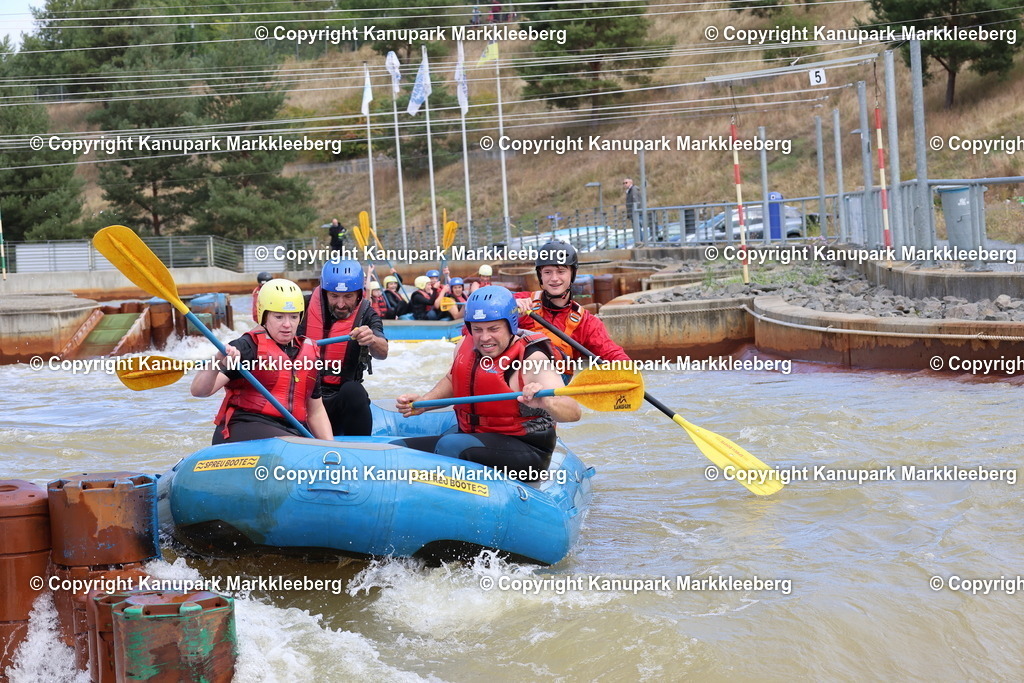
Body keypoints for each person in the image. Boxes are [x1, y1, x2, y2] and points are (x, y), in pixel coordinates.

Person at [395, 286, 580, 479]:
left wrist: (547, 401)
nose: (484, 338)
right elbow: (453, 380)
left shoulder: (532, 360)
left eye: (493, 329)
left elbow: (574, 412)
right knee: (397, 451)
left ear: (510, 326)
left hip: (527, 450)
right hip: (477, 437)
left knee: (450, 445)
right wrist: (424, 403)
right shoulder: (463, 345)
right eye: (477, 329)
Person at [191, 278, 333, 444]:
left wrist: (331, 449)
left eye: (294, 317)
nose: (287, 324)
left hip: (289, 431)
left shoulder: (309, 353)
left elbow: (315, 411)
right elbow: (199, 391)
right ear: (265, 316)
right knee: (294, 443)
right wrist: (217, 361)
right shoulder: (247, 347)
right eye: (279, 317)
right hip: (244, 427)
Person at [298, 260, 389, 436]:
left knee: (354, 391)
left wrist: (372, 340)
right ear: (324, 293)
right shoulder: (302, 306)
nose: (340, 304)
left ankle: (358, 449)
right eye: (334, 296)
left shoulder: (367, 315)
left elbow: (383, 352)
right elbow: (268, 328)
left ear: (358, 294)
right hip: (304, 396)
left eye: (347, 296)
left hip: (341, 398)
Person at [515, 240, 630, 371]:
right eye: (548, 272)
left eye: (561, 271)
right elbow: (487, 306)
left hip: (556, 387)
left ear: (572, 274)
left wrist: (628, 370)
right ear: (540, 275)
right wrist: (507, 308)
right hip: (520, 382)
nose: (554, 278)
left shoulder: (586, 323)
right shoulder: (519, 301)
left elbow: (612, 354)